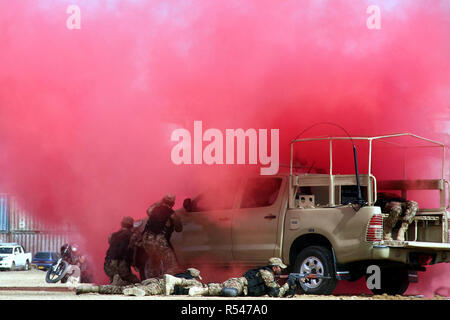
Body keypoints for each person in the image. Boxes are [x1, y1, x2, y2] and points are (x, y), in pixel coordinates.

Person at [188, 257, 297, 297]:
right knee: (230, 292)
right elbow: (276, 293)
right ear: (274, 268)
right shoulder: (267, 274)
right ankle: (199, 290)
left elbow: (277, 290)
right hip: (239, 284)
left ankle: (200, 287)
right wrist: (288, 283)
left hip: (242, 287)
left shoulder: (269, 275)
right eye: (279, 267)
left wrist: (292, 285)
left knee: (228, 291)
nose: (281, 269)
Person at [76, 268, 203, 296]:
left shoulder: (179, 275)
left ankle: (92, 289)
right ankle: (135, 291)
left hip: (153, 280)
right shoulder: (194, 282)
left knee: (120, 289)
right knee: (140, 291)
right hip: (158, 285)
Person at [141, 194, 183, 278]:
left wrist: (159, 202)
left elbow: (148, 210)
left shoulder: (154, 210)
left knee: (154, 262)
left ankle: (152, 283)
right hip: (158, 240)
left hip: (146, 239)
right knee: (172, 266)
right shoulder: (171, 213)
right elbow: (179, 228)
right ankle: (166, 283)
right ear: (173, 203)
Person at [104, 216, 140, 285]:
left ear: (122, 224)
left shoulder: (113, 235)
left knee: (115, 279)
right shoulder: (132, 236)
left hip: (108, 265)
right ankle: (118, 282)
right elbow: (133, 250)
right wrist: (134, 264)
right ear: (131, 225)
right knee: (135, 283)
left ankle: (115, 281)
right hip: (120, 266)